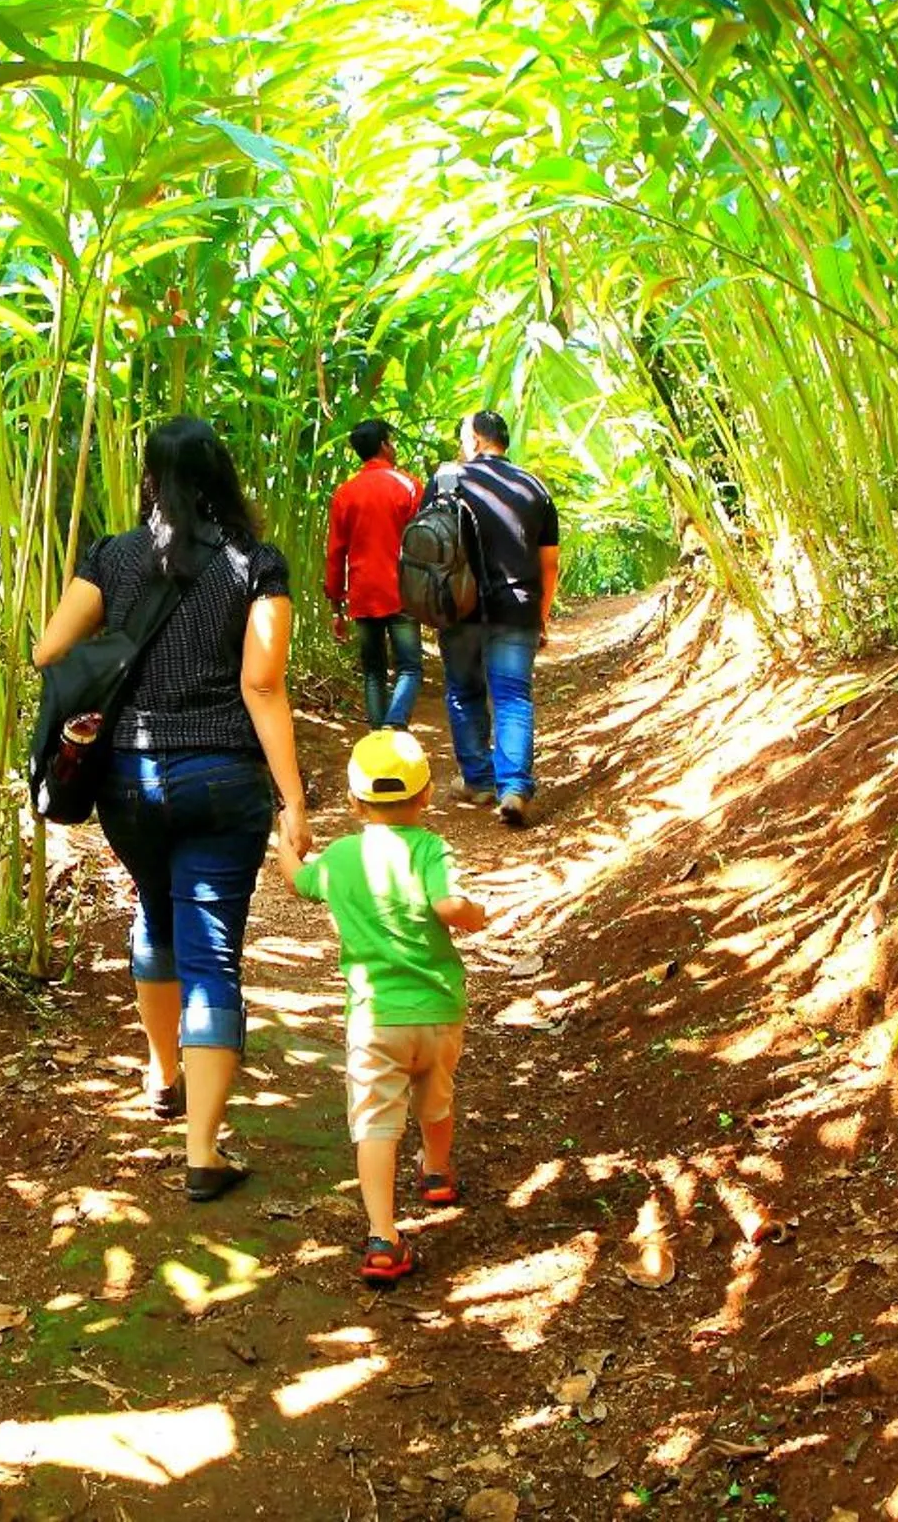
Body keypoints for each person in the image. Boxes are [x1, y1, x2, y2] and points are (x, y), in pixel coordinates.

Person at [33, 418, 311, 1203]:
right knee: (212, 950)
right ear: (222, 475)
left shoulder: (113, 556)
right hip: (223, 777)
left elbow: (48, 650)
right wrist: (293, 799)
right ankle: (202, 1152)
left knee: (156, 913)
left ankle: (163, 1076)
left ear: (149, 477)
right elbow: (263, 684)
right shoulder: (255, 565)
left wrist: (115, 652)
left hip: (129, 779)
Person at [273, 729, 486, 1284]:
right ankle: (437, 1173)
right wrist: (472, 913)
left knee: (375, 1124)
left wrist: (284, 840)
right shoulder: (431, 848)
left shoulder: (342, 857)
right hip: (438, 1011)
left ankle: (383, 1237)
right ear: (426, 797)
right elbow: (448, 903)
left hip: (374, 1020)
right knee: (436, 1099)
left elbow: (298, 881)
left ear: (352, 802)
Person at [432, 410, 560, 826]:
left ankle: (479, 780)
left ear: (474, 439)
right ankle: (515, 789)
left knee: (463, 691)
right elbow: (550, 564)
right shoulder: (534, 486)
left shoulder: (448, 480)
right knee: (512, 696)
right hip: (517, 606)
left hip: (459, 607)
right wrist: (541, 617)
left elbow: (426, 546)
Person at [323, 419, 425, 731]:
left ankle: (376, 738)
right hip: (402, 592)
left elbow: (335, 553)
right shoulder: (409, 486)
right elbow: (425, 543)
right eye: (392, 442)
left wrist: (335, 606)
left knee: (373, 671)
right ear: (383, 445)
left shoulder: (345, 493)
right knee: (409, 667)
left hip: (362, 593)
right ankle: (394, 724)